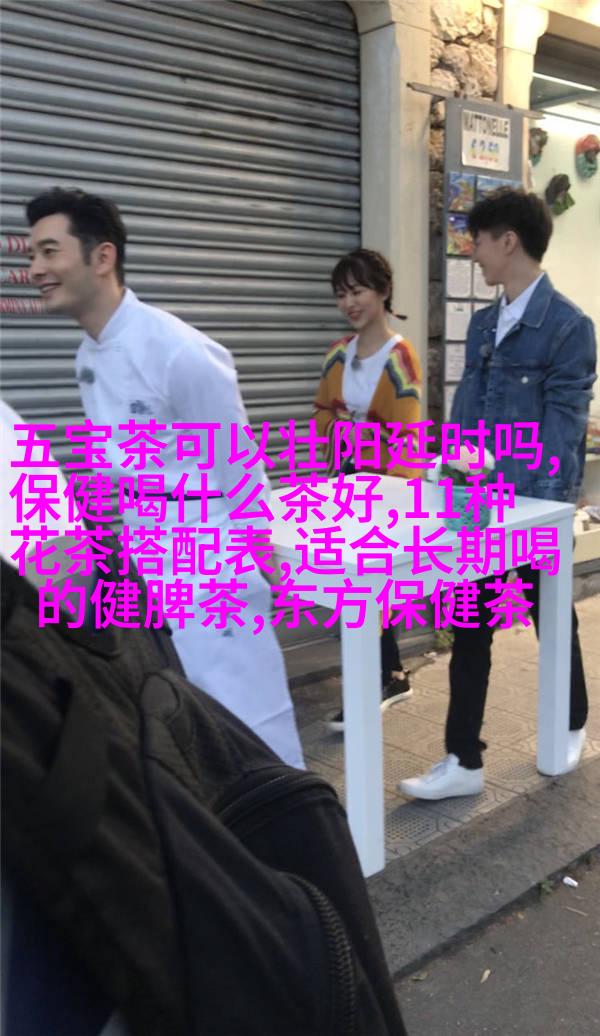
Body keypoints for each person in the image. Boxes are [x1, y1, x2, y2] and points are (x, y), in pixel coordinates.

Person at [25, 187, 304, 769]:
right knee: (190, 732)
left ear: (102, 257)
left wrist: (267, 568)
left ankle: (300, 826)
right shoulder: (87, 356)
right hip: (147, 562)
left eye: (49, 251)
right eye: (33, 255)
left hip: (210, 565)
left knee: (253, 727)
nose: (36, 270)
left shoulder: (180, 353)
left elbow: (238, 463)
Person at [400, 188, 597, 800]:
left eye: (478, 239)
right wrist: (447, 473)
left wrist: (544, 513)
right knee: (469, 625)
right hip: (476, 507)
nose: (472, 251)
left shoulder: (568, 328)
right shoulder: (486, 322)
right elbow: (466, 413)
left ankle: (570, 722)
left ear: (508, 241)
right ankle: (463, 759)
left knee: (549, 614)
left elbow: (564, 429)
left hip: (531, 507)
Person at [313, 248, 422, 731]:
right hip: (342, 483)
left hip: (386, 490)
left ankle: (368, 688)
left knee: (365, 590)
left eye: (357, 291)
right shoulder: (338, 353)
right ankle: (391, 676)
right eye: (341, 295)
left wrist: (382, 487)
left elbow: (406, 435)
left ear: (383, 291)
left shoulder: (401, 357)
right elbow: (321, 413)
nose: (349, 303)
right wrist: (340, 435)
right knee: (356, 589)